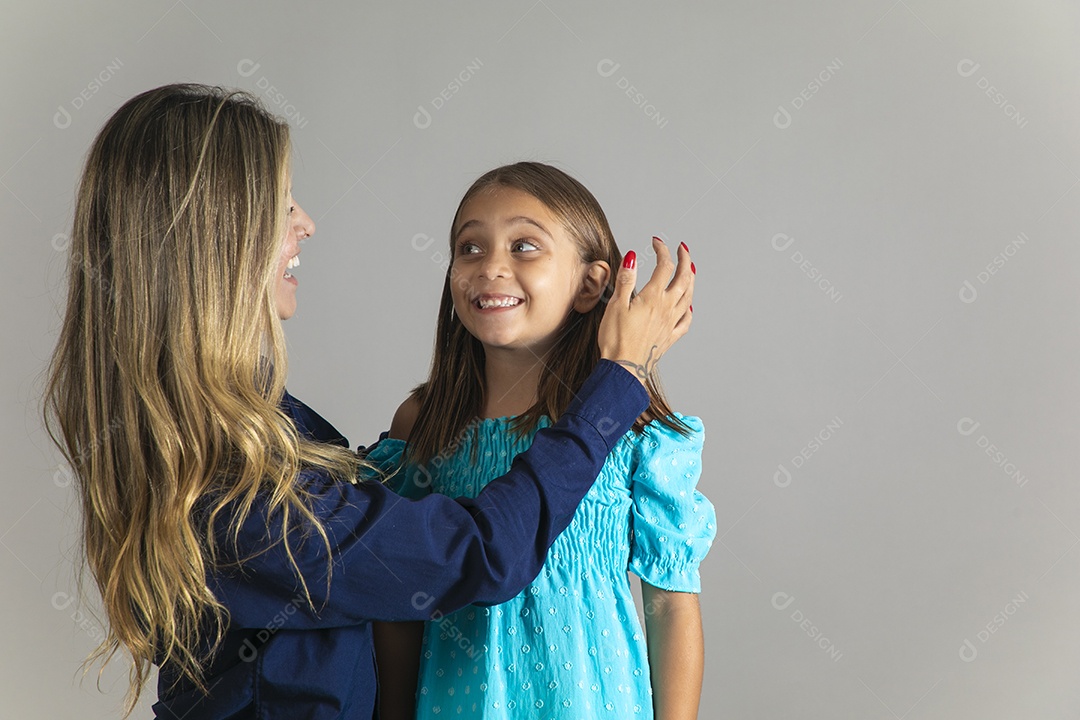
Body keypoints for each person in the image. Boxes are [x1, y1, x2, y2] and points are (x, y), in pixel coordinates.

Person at [42, 84, 694, 720]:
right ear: (212, 243)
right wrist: (621, 375)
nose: (306, 223)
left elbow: (668, 602)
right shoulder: (233, 480)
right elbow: (477, 555)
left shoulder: (263, 428)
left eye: (524, 245)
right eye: (281, 205)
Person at [370, 162, 714, 720]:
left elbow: (671, 606)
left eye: (524, 245)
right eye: (470, 248)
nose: (490, 267)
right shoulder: (423, 423)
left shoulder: (635, 427)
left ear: (591, 284)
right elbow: (397, 602)